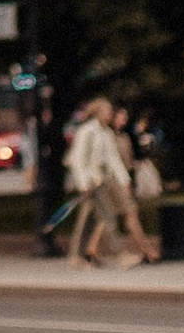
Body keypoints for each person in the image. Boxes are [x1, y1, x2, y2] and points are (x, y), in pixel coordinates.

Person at [61, 99, 144, 266]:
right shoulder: (87, 131)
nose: (109, 115)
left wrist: (124, 180)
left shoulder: (105, 132)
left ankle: (77, 257)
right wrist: (83, 183)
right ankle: (121, 254)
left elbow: (113, 159)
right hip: (92, 183)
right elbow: (78, 159)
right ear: (97, 112)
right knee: (108, 218)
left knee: (87, 221)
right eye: (107, 111)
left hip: (102, 181)